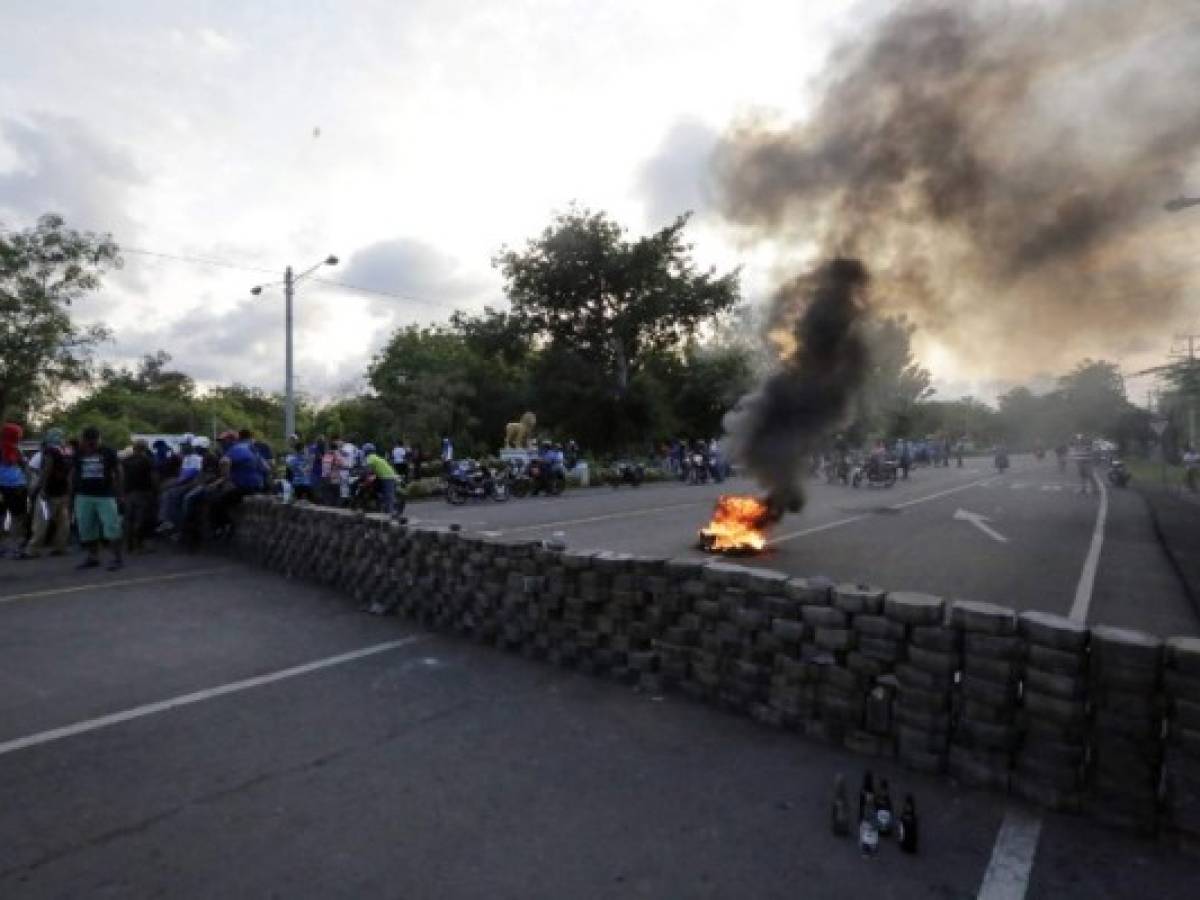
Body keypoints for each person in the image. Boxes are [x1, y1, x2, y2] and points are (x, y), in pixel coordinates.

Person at [72, 426, 124, 571]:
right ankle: (93, 557)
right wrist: (73, 493)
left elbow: (118, 471)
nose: (90, 445)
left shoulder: (108, 451)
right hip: (83, 495)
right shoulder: (79, 452)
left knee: (111, 527)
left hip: (105, 495)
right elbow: (74, 472)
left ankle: (116, 558)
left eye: (92, 442)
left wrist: (120, 493)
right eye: (87, 442)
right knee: (86, 528)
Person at [23, 427, 72, 558]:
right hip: (63, 491)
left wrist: (42, 487)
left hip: (50, 491)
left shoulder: (50, 451)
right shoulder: (66, 451)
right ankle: (60, 547)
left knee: (41, 520)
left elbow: (47, 469)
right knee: (63, 521)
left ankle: (32, 549)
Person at [209, 429, 270, 533]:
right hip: (258, 486)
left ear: (234, 440)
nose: (221, 444)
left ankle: (225, 526)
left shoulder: (236, 448)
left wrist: (225, 477)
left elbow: (224, 461)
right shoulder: (253, 449)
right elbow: (267, 468)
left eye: (223, 441)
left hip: (245, 487)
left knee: (216, 502)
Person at [122, 439, 158, 553]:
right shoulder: (147, 460)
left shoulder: (126, 461)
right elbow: (154, 477)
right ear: (144, 448)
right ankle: (139, 545)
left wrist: (121, 492)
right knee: (141, 519)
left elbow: (121, 476)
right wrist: (155, 490)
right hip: (143, 492)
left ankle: (129, 545)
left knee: (129, 519)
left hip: (128, 492)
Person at [1, 422, 30, 558]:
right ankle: (15, 548)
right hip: (16, 486)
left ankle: (3, 547)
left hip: (3, 487)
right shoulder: (15, 449)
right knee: (17, 518)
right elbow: (25, 465)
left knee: (1, 517)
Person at [362, 443, 400, 515]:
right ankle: (380, 504)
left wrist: (363, 473)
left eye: (364, 451)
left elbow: (367, 468)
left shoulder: (371, 457)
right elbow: (369, 469)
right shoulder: (375, 457)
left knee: (388, 495)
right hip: (381, 476)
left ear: (367, 451)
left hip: (388, 476)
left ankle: (391, 513)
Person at [285, 435, 314, 501]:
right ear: (301, 449)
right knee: (311, 501)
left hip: (297, 483)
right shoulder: (304, 459)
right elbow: (305, 470)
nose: (305, 450)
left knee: (298, 501)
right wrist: (309, 465)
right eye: (304, 448)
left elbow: (291, 468)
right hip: (305, 483)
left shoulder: (292, 459)